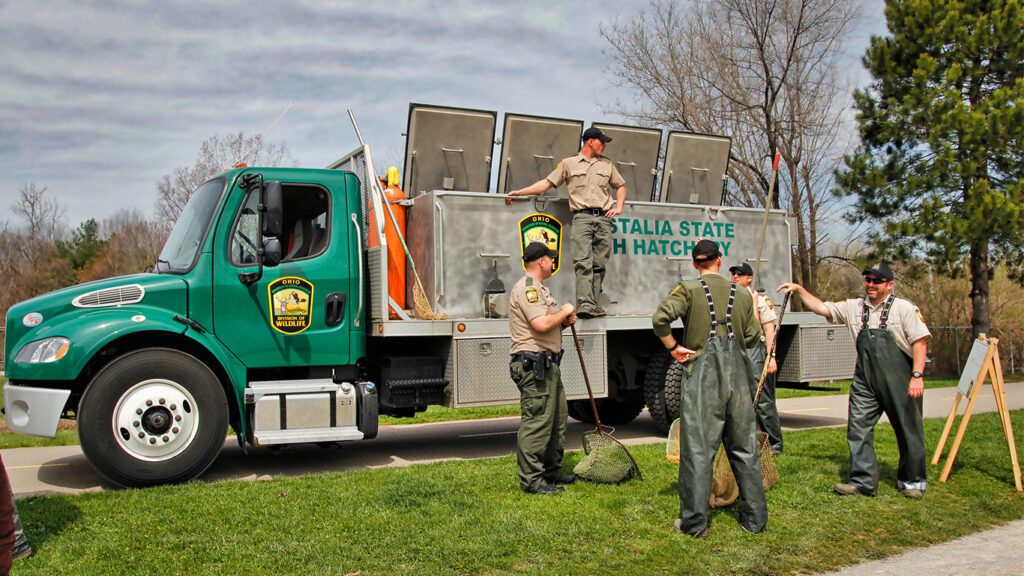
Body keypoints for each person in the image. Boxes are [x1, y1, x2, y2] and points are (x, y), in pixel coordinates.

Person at [778, 261, 931, 499]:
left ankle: (912, 481)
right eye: (868, 279)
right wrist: (799, 290)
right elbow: (822, 308)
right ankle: (862, 481)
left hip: (900, 379)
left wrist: (917, 376)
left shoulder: (904, 309)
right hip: (865, 381)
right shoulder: (854, 307)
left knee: (908, 429)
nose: (871, 284)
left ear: (889, 285)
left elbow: (920, 342)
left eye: (877, 281)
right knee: (858, 428)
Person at [652, 239, 767, 537]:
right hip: (738, 379)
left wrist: (674, 347)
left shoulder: (688, 290)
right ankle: (754, 521)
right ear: (719, 260)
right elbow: (754, 337)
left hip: (703, 377)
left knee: (698, 452)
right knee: (744, 449)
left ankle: (695, 524)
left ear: (694, 263)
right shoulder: (742, 294)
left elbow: (660, 319)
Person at [506, 126, 627, 319]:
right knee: (582, 261)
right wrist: (520, 192)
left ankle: (594, 303)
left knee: (599, 264)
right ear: (590, 141)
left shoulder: (607, 164)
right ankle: (585, 304)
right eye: (601, 141)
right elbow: (546, 183)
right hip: (582, 217)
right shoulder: (569, 163)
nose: (604, 145)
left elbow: (620, 186)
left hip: (604, 218)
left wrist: (619, 206)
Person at [508, 241, 578, 494]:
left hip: (548, 365)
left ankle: (551, 471)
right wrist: (565, 310)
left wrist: (564, 321)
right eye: (551, 258)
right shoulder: (528, 289)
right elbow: (540, 324)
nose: (552, 262)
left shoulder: (540, 289)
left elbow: (548, 324)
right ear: (542, 261)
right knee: (537, 422)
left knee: (557, 419)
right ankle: (532, 481)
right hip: (534, 366)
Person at [729, 262, 784, 454]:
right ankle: (748, 441)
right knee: (740, 399)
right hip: (736, 349)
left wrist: (771, 356)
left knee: (762, 400)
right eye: (733, 273)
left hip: (755, 351)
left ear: (749, 278)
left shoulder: (760, 300)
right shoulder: (730, 299)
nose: (735, 276)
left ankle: (775, 443)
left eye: (739, 274)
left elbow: (769, 329)